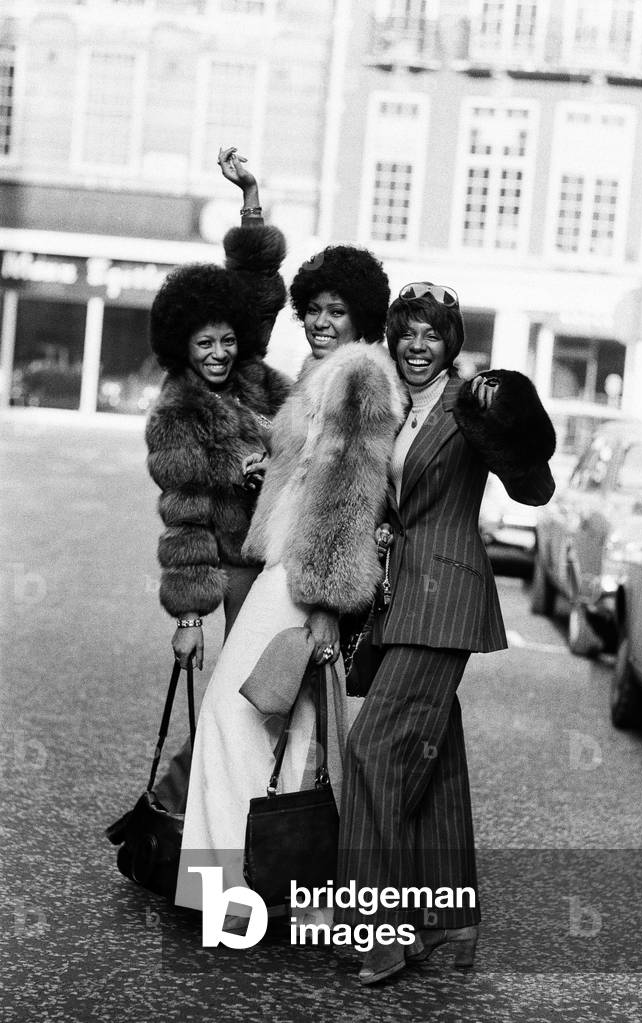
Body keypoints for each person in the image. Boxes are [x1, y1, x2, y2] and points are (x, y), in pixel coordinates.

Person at [175, 244, 406, 920]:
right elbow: (310, 476)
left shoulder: (358, 375)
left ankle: (230, 890)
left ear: (362, 316)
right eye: (313, 309)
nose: (320, 322)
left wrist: (326, 600)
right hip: (292, 565)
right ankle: (277, 892)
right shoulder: (325, 372)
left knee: (235, 713)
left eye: (337, 310)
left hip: (303, 576)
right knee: (290, 726)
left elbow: (350, 496)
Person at [335, 281, 556, 984]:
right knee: (434, 763)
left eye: (432, 334)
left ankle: (378, 930)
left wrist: (507, 420)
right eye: (408, 332)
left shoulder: (468, 405)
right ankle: (448, 919)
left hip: (446, 600)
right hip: (398, 598)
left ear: (451, 343)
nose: (418, 345)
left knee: (371, 748)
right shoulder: (390, 406)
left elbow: (536, 490)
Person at [108, 148, 291, 830]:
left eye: (225, 340)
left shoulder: (254, 375)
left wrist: (250, 196)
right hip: (242, 571)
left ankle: (227, 812)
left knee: (271, 698)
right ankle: (186, 811)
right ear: (181, 346)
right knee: (248, 699)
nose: (218, 353)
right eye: (203, 343)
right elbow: (184, 519)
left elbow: (259, 288)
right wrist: (188, 619)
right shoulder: (178, 414)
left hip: (285, 562)